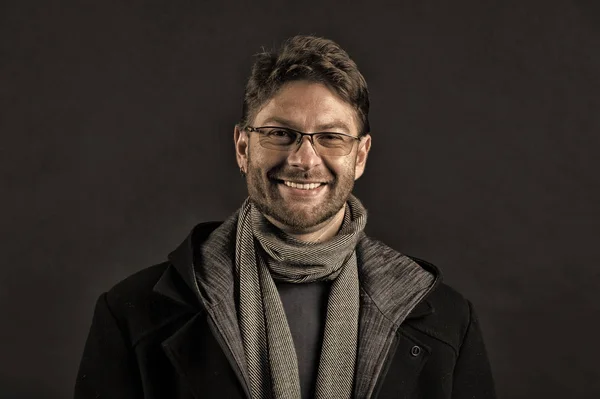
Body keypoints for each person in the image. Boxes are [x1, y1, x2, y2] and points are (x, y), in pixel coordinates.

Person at [75, 35, 496, 399]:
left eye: (331, 137)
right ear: (243, 147)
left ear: (361, 155)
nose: (303, 159)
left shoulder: (446, 321)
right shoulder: (132, 313)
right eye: (280, 133)